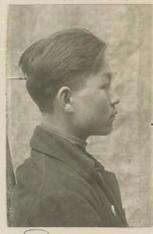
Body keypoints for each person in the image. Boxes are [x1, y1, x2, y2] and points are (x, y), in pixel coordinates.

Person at [11, 28, 127, 227]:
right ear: (67, 100)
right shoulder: (55, 195)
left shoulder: (68, 172)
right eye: (104, 86)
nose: (115, 98)